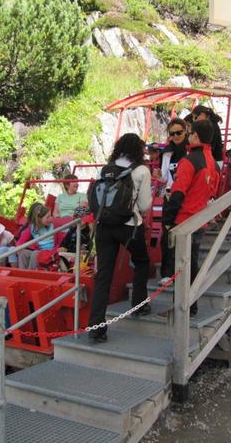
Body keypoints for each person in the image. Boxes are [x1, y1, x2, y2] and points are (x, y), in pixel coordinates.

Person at [88, 133, 152, 343]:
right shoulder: (141, 170)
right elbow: (144, 206)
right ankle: (139, 304)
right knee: (141, 261)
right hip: (129, 227)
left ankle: (96, 327)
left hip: (103, 227)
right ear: (138, 150)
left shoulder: (106, 169)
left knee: (104, 276)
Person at [162, 119, 219, 316]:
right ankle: (191, 305)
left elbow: (178, 191)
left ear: (194, 135)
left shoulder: (189, 160)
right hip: (200, 217)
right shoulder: (211, 161)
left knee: (181, 265)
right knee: (192, 262)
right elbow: (214, 189)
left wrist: (168, 219)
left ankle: (181, 307)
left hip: (184, 219)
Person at [16, 203, 64, 269]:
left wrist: (57, 249)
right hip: (40, 251)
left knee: (35, 254)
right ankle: (21, 273)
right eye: (47, 217)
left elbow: (62, 241)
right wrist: (19, 248)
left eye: (50, 216)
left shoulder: (55, 225)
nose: (50, 218)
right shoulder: (32, 228)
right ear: (39, 219)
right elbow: (20, 242)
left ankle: (30, 274)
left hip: (52, 252)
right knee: (23, 253)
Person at [160, 118, 189, 190]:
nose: (175, 136)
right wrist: (159, 176)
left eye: (179, 132)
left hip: (188, 191)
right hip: (170, 191)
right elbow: (164, 178)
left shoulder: (192, 150)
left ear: (185, 131)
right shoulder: (167, 153)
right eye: (172, 134)